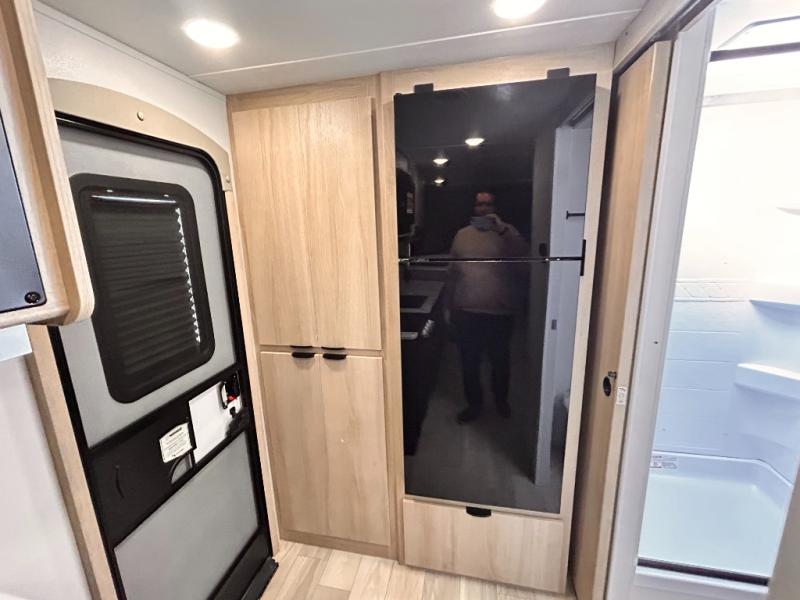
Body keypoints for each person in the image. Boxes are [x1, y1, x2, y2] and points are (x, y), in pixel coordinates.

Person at [446, 191, 528, 424]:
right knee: (469, 364)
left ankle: (501, 401)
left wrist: (501, 229)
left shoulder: (507, 233)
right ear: (474, 208)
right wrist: (448, 307)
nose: (483, 209)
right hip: (467, 312)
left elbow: (525, 258)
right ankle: (474, 405)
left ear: (495, 207)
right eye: (479, 204)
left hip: (499, 313)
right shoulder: (462, 235)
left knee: (500, 363)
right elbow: (453, 273)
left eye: (488, 204)